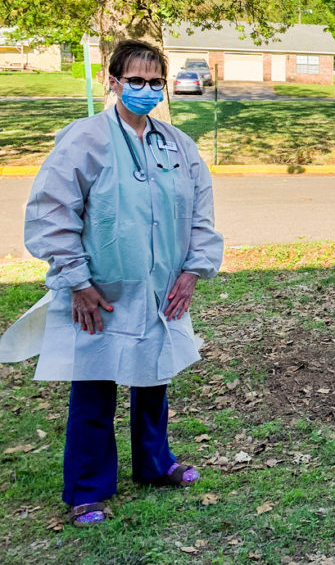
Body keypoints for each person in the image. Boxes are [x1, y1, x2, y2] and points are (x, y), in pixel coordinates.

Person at [0, 40, 223, 526]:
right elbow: (52, 213)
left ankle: (154, 464)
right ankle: (87, 489)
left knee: (153, 378)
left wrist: (192, 271)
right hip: (99, 292)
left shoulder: (177, 145)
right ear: (114, 81)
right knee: (95, 387)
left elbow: (201, 214)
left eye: (154, 82)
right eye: (136, 81)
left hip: (161, 288)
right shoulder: (86, 140)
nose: (145, 90)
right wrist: (76, 280)